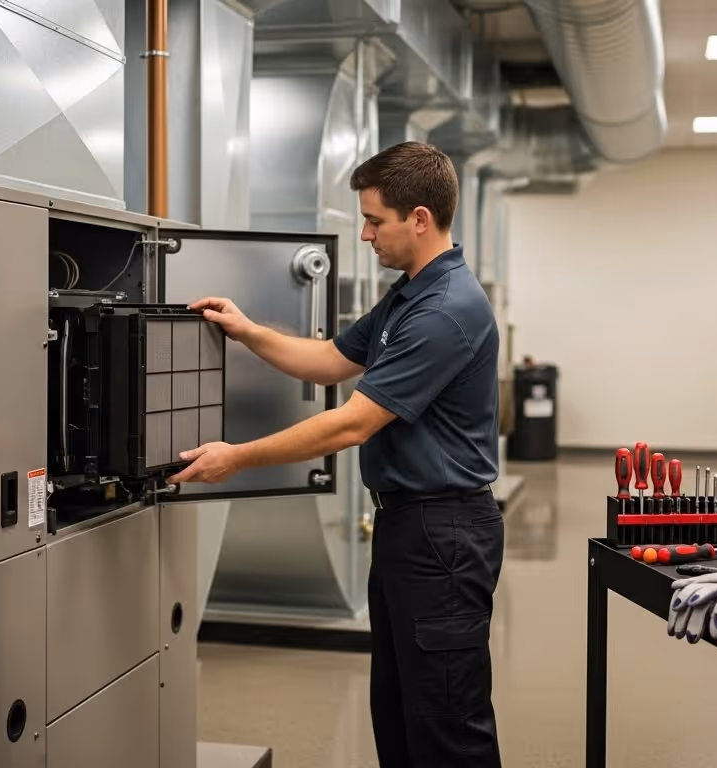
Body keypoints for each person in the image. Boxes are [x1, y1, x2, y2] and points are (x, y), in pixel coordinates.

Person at [170, 141, 503, 767]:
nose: (366, 234)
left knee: (448, 725)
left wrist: (235, 458)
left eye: (375, 221)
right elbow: (330, 360)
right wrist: (247, 330)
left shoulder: (445, 309)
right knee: (400, 712)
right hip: (410, 528)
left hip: (444, 535)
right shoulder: (410, 294)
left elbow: (352, 423)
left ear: (420, 219)